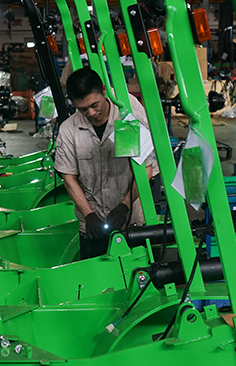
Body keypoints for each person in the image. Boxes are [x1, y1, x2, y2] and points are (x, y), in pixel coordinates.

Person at [54, 67, 159, 260]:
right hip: (93, 228)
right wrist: (89, 215)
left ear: (104, 90)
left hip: (133, 223)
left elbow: (146, 170)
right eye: (82, 109)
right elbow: (69, 177)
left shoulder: (127, 121)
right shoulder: (69, 130)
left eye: (94, 105)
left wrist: (124, 206)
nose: (91, 113)